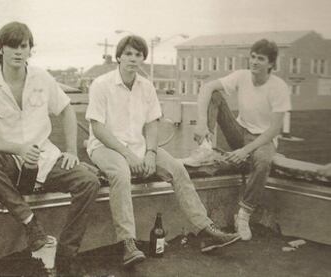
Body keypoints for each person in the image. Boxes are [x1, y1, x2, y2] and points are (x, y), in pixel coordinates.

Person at [85, 35, 240, 267]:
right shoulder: (101, 84)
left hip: (139, 146)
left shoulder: (146, 86)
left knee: (177, 168)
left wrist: (150, 153)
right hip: (106, 147)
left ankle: (205, 230)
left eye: (138, 55)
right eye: (128, 53)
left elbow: (151, 124)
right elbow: (98, 128)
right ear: (118, 56)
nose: (133, 59)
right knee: (121, 173)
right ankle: (127, 243)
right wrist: (128, 155)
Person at [0, 21, 100, 276]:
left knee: (89, 181)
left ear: (30, 50)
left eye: (24, 46)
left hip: (45, 160)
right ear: (0, 49)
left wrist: (71, 150)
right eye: (12, 46)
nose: (18, 51)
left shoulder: (42, 78)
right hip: (10, 162)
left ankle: (66, 255)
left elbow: (66, 110)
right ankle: (32, 225)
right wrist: (18, 148)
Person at [193, 39, 291, 241]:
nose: (254, 62)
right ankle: (204, 148)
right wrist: (201, 123)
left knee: (263, 162)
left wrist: (245, 151)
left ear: (271, 64)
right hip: (240, 131)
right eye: (253, 57)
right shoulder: (242, 76)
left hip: (263, 140)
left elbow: (274, 129)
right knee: (215, 94)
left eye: (260, 59)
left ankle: (244, 214)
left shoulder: (278, 87)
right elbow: (207, 87)